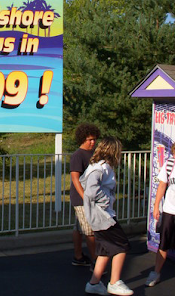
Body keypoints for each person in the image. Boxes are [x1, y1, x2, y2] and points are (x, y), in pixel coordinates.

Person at [80, 136, 133, 296]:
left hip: (98, 216)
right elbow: (90, 191)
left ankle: (93, 283)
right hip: (102, 216)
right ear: (113, 151)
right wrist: (106, 200)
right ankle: (114, 282)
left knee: (104, 250)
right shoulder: (100, 168)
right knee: (121, 246)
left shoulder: (97, 166)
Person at [145, 142, 175, 287]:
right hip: (170, 211)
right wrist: (156, 206)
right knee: (164, 244)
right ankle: (156, 273)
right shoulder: (169, 165)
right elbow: (162, 185)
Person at [70, 123, 100, 266]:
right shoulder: (78, 155)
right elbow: (75, 178)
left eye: (94, 139)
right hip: (81, 198)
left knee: (79, 228)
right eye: (90, 140)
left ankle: (78, 257)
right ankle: (95, 259)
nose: (93, 142)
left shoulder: (93, 154)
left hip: (89, 197)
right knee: (90, 230)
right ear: (83, 139)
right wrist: (85, 197)